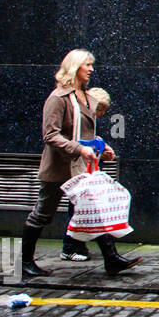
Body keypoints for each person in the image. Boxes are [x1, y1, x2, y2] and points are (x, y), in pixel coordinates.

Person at [23, 50, 140, 278]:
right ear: (75, 67)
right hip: (59, 169)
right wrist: (80, 149)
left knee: (94, 211)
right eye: (87, 65)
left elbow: (87, 135)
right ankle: (26, 262)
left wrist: (100, 150)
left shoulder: (86, 98)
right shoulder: (58, 98)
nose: (91, 69)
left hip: (83, 169)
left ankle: (111, 259)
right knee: (42, 214)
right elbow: (50, 136)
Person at [58, 86, 112, 262]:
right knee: (78, 211)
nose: (102, 113)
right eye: (99, 109)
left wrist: (103, 151)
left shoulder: (90, 124)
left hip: (88, 173)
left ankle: (77, 246)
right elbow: (80, 145)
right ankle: (70, 247)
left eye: (104, 109)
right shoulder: (79, 123)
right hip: (82, 174)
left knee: (81, 211)